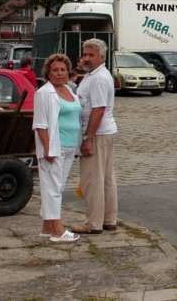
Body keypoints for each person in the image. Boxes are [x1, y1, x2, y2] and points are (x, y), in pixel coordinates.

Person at [32, 53, 81, 243]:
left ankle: (47, 226)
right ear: (48, 73)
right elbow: (40, 124)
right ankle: (58, 230)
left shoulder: (69, 90)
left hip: (70, 146)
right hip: (55, 147)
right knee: (52, 188)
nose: (60, 73)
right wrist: (48, 148)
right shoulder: (44, 93)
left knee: (58, 187)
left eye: (63, 70)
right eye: (55, 70)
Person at [72, 39, 118, 235]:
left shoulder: (98, 78)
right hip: (105, 131)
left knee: (93, 179)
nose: (87, 58)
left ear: (102, 57)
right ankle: (109, 219)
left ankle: (94, 223)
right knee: (106, 178)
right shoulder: (96, 75)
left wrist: (87, 138)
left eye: (91, 55)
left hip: (97, 133)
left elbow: (98, 109)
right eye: (85, 55)